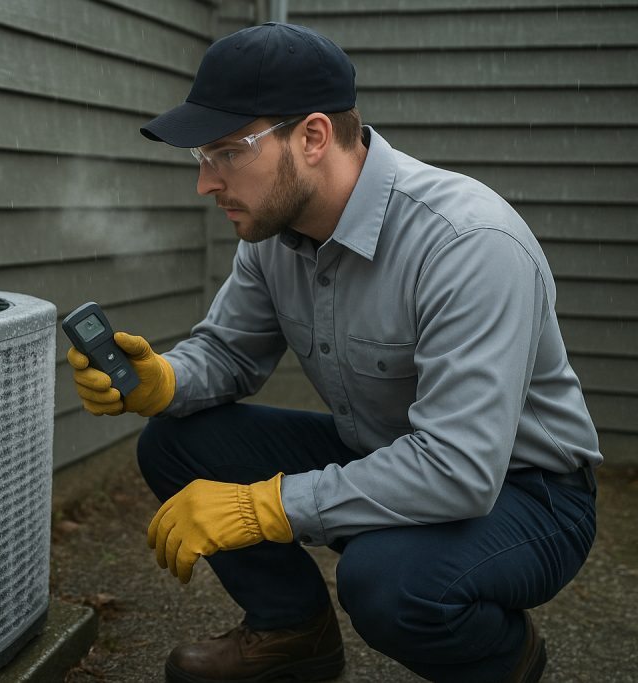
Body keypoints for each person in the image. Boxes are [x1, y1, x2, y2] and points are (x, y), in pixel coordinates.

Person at [67, 22, 601, 683]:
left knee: (386, 581)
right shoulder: (271, 234)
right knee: (175, 440)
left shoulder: (467, 243)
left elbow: (460, 467)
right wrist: (162, 380)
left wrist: (264, 505)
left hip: (525, 494)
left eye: (228, 152)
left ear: (314, 137)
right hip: (387, 451)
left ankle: (502, 659)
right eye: (202, 156)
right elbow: (229, 351)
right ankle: (292, 633)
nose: (207, 183)